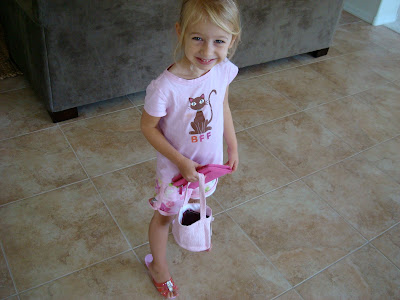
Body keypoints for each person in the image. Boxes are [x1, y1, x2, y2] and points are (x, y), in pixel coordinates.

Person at [140, 0, 241, 298]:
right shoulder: (164, 88)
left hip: (208, 166)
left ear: (231, 41)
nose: (207, 51)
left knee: (196, 206)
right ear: (180, 32)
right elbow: (148, 127)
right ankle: (158, 266)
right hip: (176, 173)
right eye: (197, 38)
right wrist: (182, 162)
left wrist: (232, 147)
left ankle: (189, 231)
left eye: (218, 41)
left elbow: (223, 107)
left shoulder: (222, 71)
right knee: (164, 216)